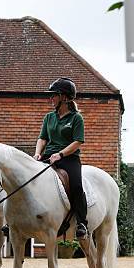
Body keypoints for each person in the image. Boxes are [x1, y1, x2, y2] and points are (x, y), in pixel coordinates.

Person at [34, 77, 88, 239]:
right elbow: (42, 138)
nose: (51, 98)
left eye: (54, 95)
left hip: (69, 158)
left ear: (64, 97)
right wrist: (38, 153)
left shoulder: (76, 118)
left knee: (77, 186)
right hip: (48, 156)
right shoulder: (49, 117)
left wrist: (61, 154)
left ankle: (82, 223)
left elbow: (77, 141)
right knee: (29, 179)